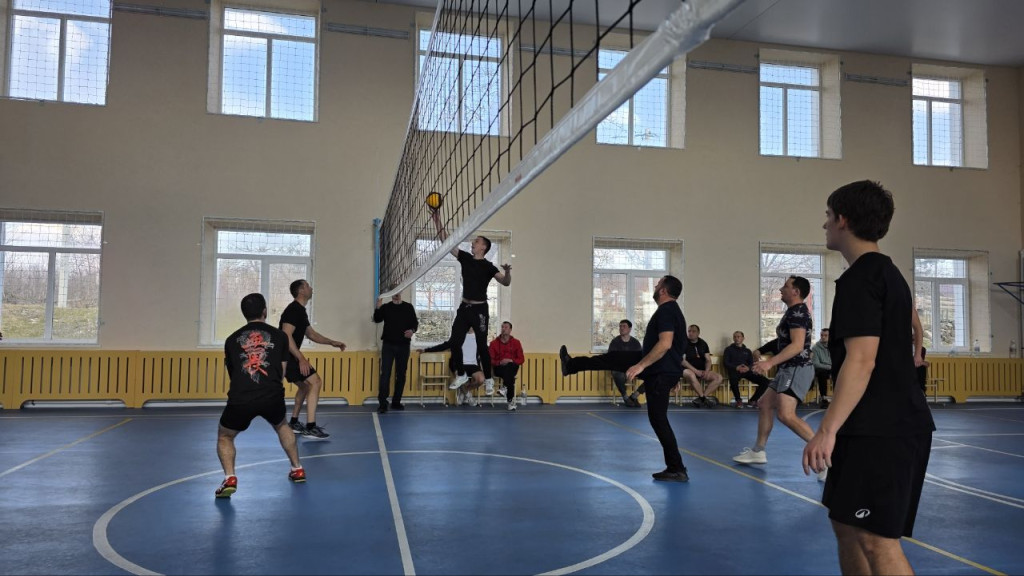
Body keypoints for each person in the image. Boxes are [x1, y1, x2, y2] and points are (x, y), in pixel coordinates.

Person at [803, 180, 935, 575]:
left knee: (877, 541)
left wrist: (827, 429)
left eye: (828, 216)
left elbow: (862, 361)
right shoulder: (884, 273)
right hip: (870, 426)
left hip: (885, 429)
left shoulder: (863, 278)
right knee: (845, 524)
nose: (825, 224)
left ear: (843, 220)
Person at [558, 275, 690, 482]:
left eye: (658, 284)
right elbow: (677, 348)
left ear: (663, 291)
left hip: (659, 371)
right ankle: (571, 365)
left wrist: (641, 365)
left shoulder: (667, 310)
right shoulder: (673, 311)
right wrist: (675, 374)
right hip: (662, 369)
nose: (655, 286)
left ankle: (677, 468)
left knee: (658, 419)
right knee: (614, 358)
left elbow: (665, 344)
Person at [733, 276, 824, 481]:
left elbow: (797, 345)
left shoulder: (799, 312)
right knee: (765, 403)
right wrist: (762, 350)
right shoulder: (792, 312)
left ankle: (825, 456)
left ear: (796, 292)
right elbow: (783, 340)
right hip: (787, 368)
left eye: (786, 286)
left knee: (786, 415)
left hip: (797, 368)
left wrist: (769, 363)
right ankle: (758, 451)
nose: (781, 289)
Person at [216, 293, 306, 498]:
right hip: (271, 394)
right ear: (264, 311)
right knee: (282, 425)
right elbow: (282, 371)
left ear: (244, 314)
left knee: (225, 435)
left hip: (241, 397)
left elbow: (233, 373)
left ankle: (230, 478)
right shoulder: (280, 336)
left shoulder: (231, 340)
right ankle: (297, 469)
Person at [431, 211, 511, 392]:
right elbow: (447, 241)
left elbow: (505, 282)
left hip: (480, 309)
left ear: (483, 247)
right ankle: (461, 374)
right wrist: (437, 220)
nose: (473, 242)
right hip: (464, 308)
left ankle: (488, 379)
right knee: (455, 342)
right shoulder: (466, 258)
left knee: (482, 346)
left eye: (477, 241)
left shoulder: (489, 266)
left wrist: (507, 272)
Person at [280, 279, 346, 439]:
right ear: (301, 291)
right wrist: (301, 359)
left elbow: (311, 334)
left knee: (305, 386)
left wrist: (331, 342)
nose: (311, 288)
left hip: (288, 356)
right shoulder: (293, 309)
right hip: (286, 357)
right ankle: (310, 427)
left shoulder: (300, 311)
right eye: (308, 286)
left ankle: (294, 422)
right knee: (315, 382)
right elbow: (286, 335)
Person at [373, 293, 418, 413]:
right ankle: (383, 404)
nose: (396, 295)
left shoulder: (408, 307)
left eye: (398, 292)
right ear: (391, 294)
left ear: (401, 293)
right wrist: (378, 307)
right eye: (394, 292)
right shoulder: (386, 307)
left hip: (404, 345)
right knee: (385, 374)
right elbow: (377, 319)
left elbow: (415, 324)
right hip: (388, 345)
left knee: (401, 374)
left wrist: (412, 331)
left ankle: (396, 402)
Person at [425, 326, 484, 406]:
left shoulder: (479, 337)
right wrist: (426, 350)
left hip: (473, 365)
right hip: (459, 364)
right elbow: (444, 346)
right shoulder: (458, 335)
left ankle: (464, 391)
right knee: (461, 377)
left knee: (481, 380)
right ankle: (468, 396)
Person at [722, 331, 771, 408]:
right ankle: (738, 400)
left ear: (743, 338)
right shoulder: (728, 349)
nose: (736, 338)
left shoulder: (747, 351)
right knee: (733, 379)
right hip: (735, 371)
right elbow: (726, 362)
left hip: (747, 371)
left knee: (765, 381)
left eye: (738, 336)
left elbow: (751, 363)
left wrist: (748, 368)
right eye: (735, 337)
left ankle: (753, 400)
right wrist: (736, 367)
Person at [681, 324, 723, 408]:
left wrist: (707, 371)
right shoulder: (683, 343)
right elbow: (683, 361)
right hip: (687, 369)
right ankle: (703, 399)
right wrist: (696, 371)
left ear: (698, 333)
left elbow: (708, 360)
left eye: (693, 331)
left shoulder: (703, 343)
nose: (690, 333)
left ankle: (701, 398)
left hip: (702, 370)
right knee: (691, 375)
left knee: (719, 377)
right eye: (689, 331)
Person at [489, 321, 525, 411]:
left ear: (510, 330)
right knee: (510, 377)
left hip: (512, 366)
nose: (503, 329)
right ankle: (510, 401)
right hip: (499, 368)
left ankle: (505, 388)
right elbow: (490, 360)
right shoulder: (493, 343)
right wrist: (500, 362)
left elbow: (521, 359)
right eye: (502, 327)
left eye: (506, 327)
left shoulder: (516, 342)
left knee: (510, 366)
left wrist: (510, 360)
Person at [609, 319, 643, 407]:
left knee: (653, 375)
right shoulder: (615, 342)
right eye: (620, 326)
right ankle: (626, 397)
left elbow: (639, 358)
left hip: (633, 368)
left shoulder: (635, 343)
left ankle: (634, 396)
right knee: (616, 372)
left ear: (630, 329)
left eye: (624, 326)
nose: (621, 328)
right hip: (620, 369)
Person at [811, 329, 833, 408]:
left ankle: (840, 399)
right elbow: (816, 364)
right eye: (822, 335)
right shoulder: (815, 348)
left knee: (842, 373)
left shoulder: (834, 347)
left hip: (832, 368)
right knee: (822, 374)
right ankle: (824, 400)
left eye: (826, 335)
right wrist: (830, 367)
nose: (823, 337)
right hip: (822, 369)